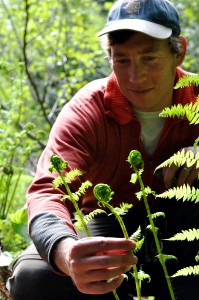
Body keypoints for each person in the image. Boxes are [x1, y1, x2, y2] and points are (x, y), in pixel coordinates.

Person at [7, 0, 199, 299]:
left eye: (149, 58)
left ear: (179, 51)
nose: (136, 77)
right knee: (34, 278)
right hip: (109, 222)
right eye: (122, 60)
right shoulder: (88, 110)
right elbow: (47, 192)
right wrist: (66, 252)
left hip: (188, 224)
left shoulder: (197, 98)